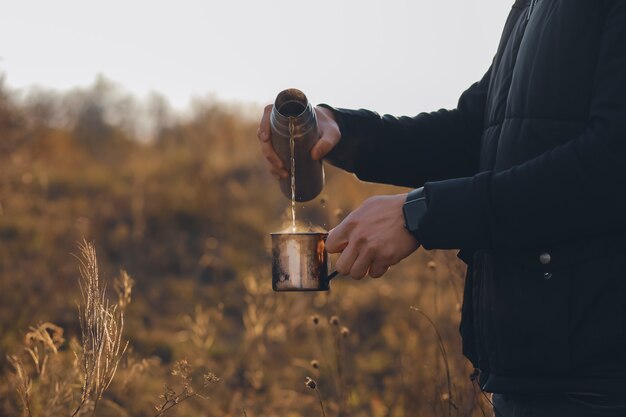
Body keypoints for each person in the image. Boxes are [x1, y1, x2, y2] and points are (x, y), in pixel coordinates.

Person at [257, 1, 626, 416]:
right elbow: (476, 135)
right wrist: (343, 132)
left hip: (600, 382)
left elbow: (611, 166)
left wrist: (421, 214)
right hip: (535, 375)